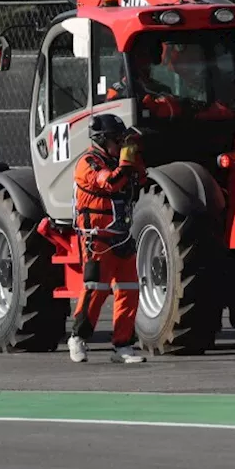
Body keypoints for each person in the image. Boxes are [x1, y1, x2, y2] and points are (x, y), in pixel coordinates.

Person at [67, 113, 146, 364]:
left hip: (121, 236)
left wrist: (135, 156)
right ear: (101, 139)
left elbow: (139, 178)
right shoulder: (88, 163)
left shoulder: (118, 161)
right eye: (116, 140)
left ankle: (123, 346)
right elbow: (111, 183)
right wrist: (126, 161)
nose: (120, 145)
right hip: (97, 238)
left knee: (129, 289)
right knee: (96, 289)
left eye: (122, 141)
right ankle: (78, 338)